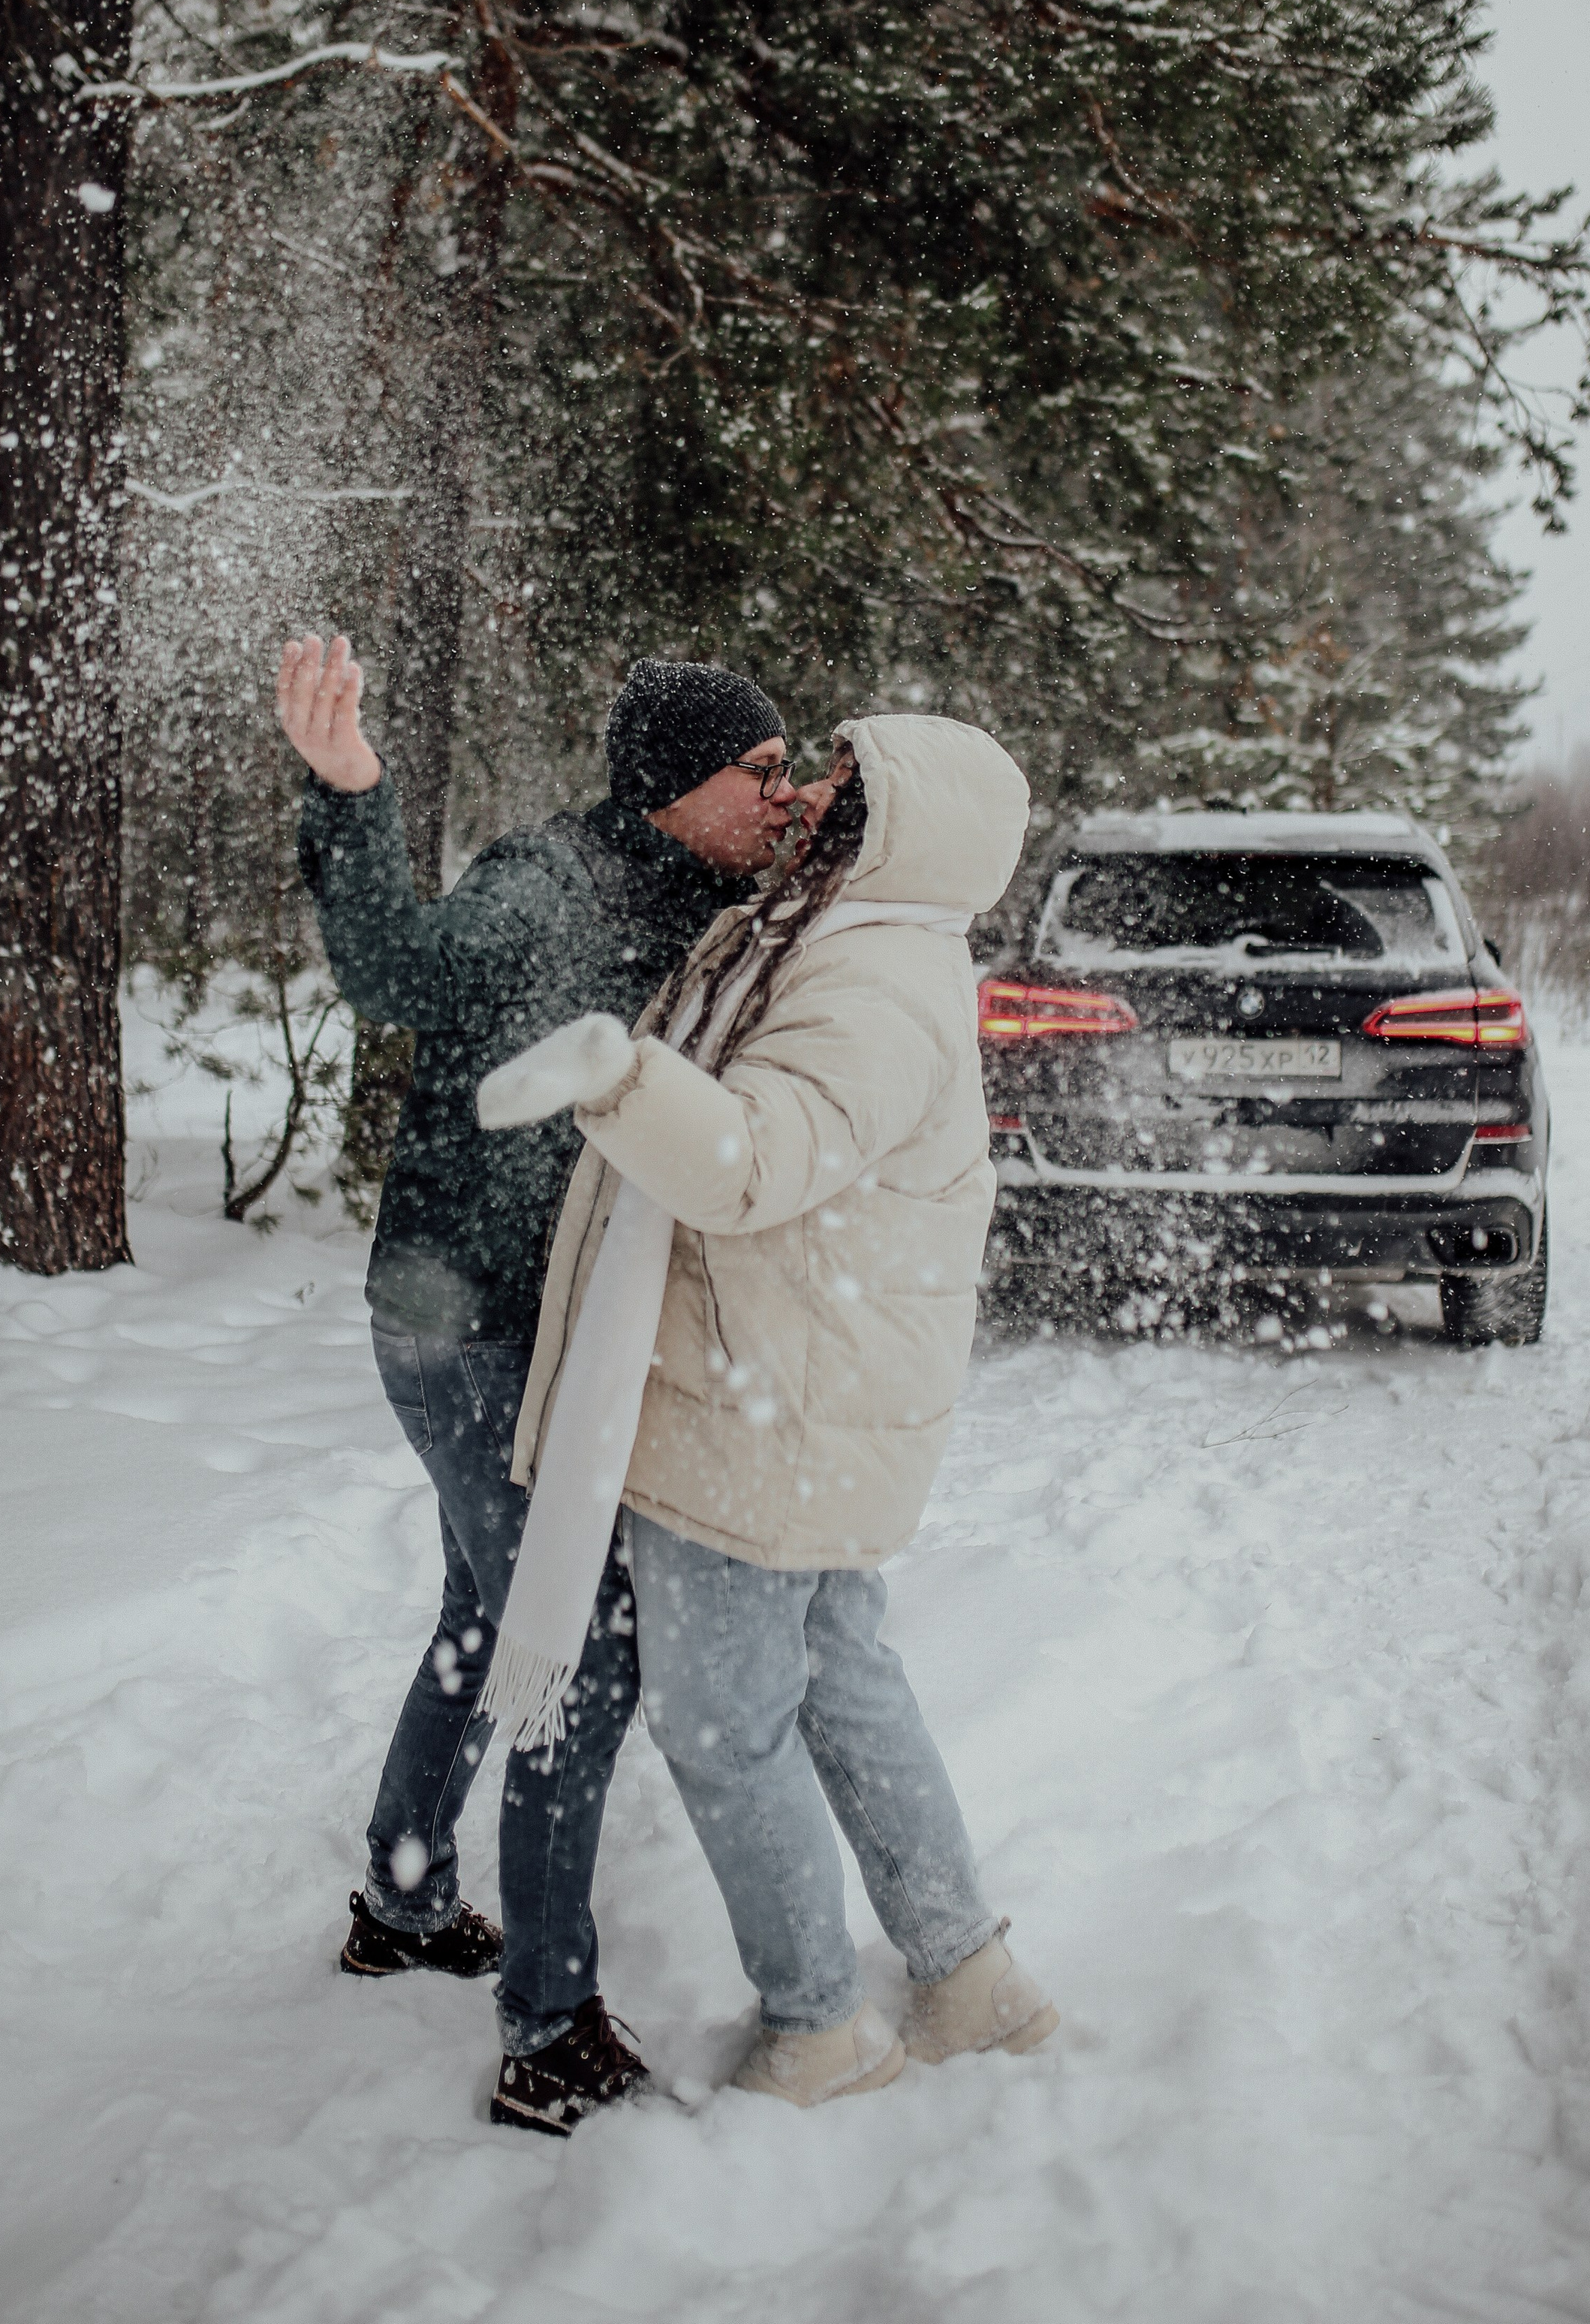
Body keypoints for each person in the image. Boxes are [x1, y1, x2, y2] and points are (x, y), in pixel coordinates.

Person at [478, 713, 1059, 2108]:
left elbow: (749, 1166)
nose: (799, 796)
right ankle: (965, 1974)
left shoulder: (868, 983)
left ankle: (818, 2030)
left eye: (836, 782)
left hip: (762, 1414)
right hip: (797, 1390)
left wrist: (618, 1076)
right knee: (845, 1685)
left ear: (895, 825)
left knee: (725, 1725)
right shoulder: (839, 941)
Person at [276, 634, 799, 2133]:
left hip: (533, 1331)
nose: (781, 793)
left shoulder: (710, 903)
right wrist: (351, 797)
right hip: (468, 1329)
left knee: (488, 1612)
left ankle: (405, 1902)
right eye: (760, 771)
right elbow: (393, 969)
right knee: (578, 1644)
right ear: (675, 783)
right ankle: (547, 2028)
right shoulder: (550, 885)